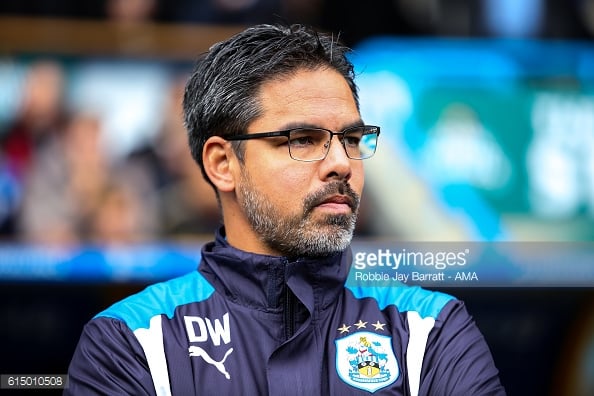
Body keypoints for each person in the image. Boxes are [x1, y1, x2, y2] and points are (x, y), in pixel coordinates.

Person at [65, 23, 505, 395]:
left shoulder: (431, 332)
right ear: (222, 164)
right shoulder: (131, 343)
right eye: (303, 140)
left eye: (352, 139)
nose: (341, 163)